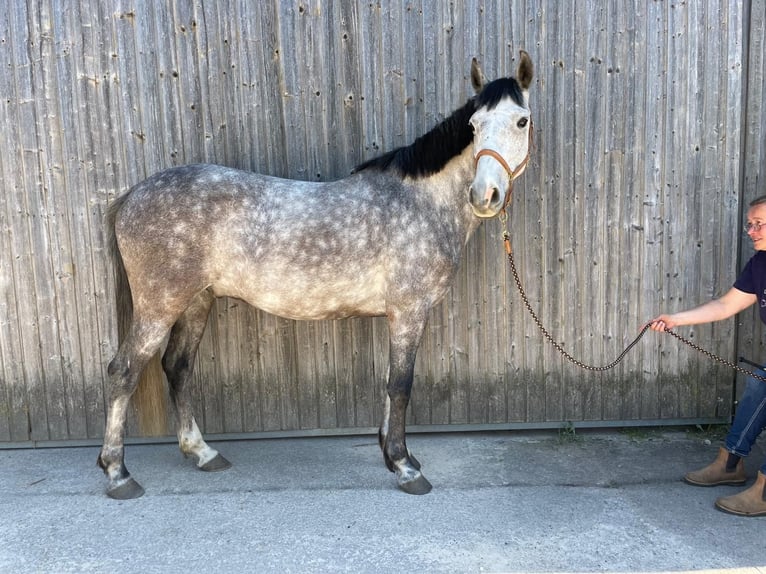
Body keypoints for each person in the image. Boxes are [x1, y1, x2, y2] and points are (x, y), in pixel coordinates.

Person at [648, 195, 766, 517]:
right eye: (750, 224)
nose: (751, 231)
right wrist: (675, 319)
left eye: (759, 225)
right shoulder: (759, 265)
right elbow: (726, 305)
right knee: (760, 386)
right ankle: (729, 462)